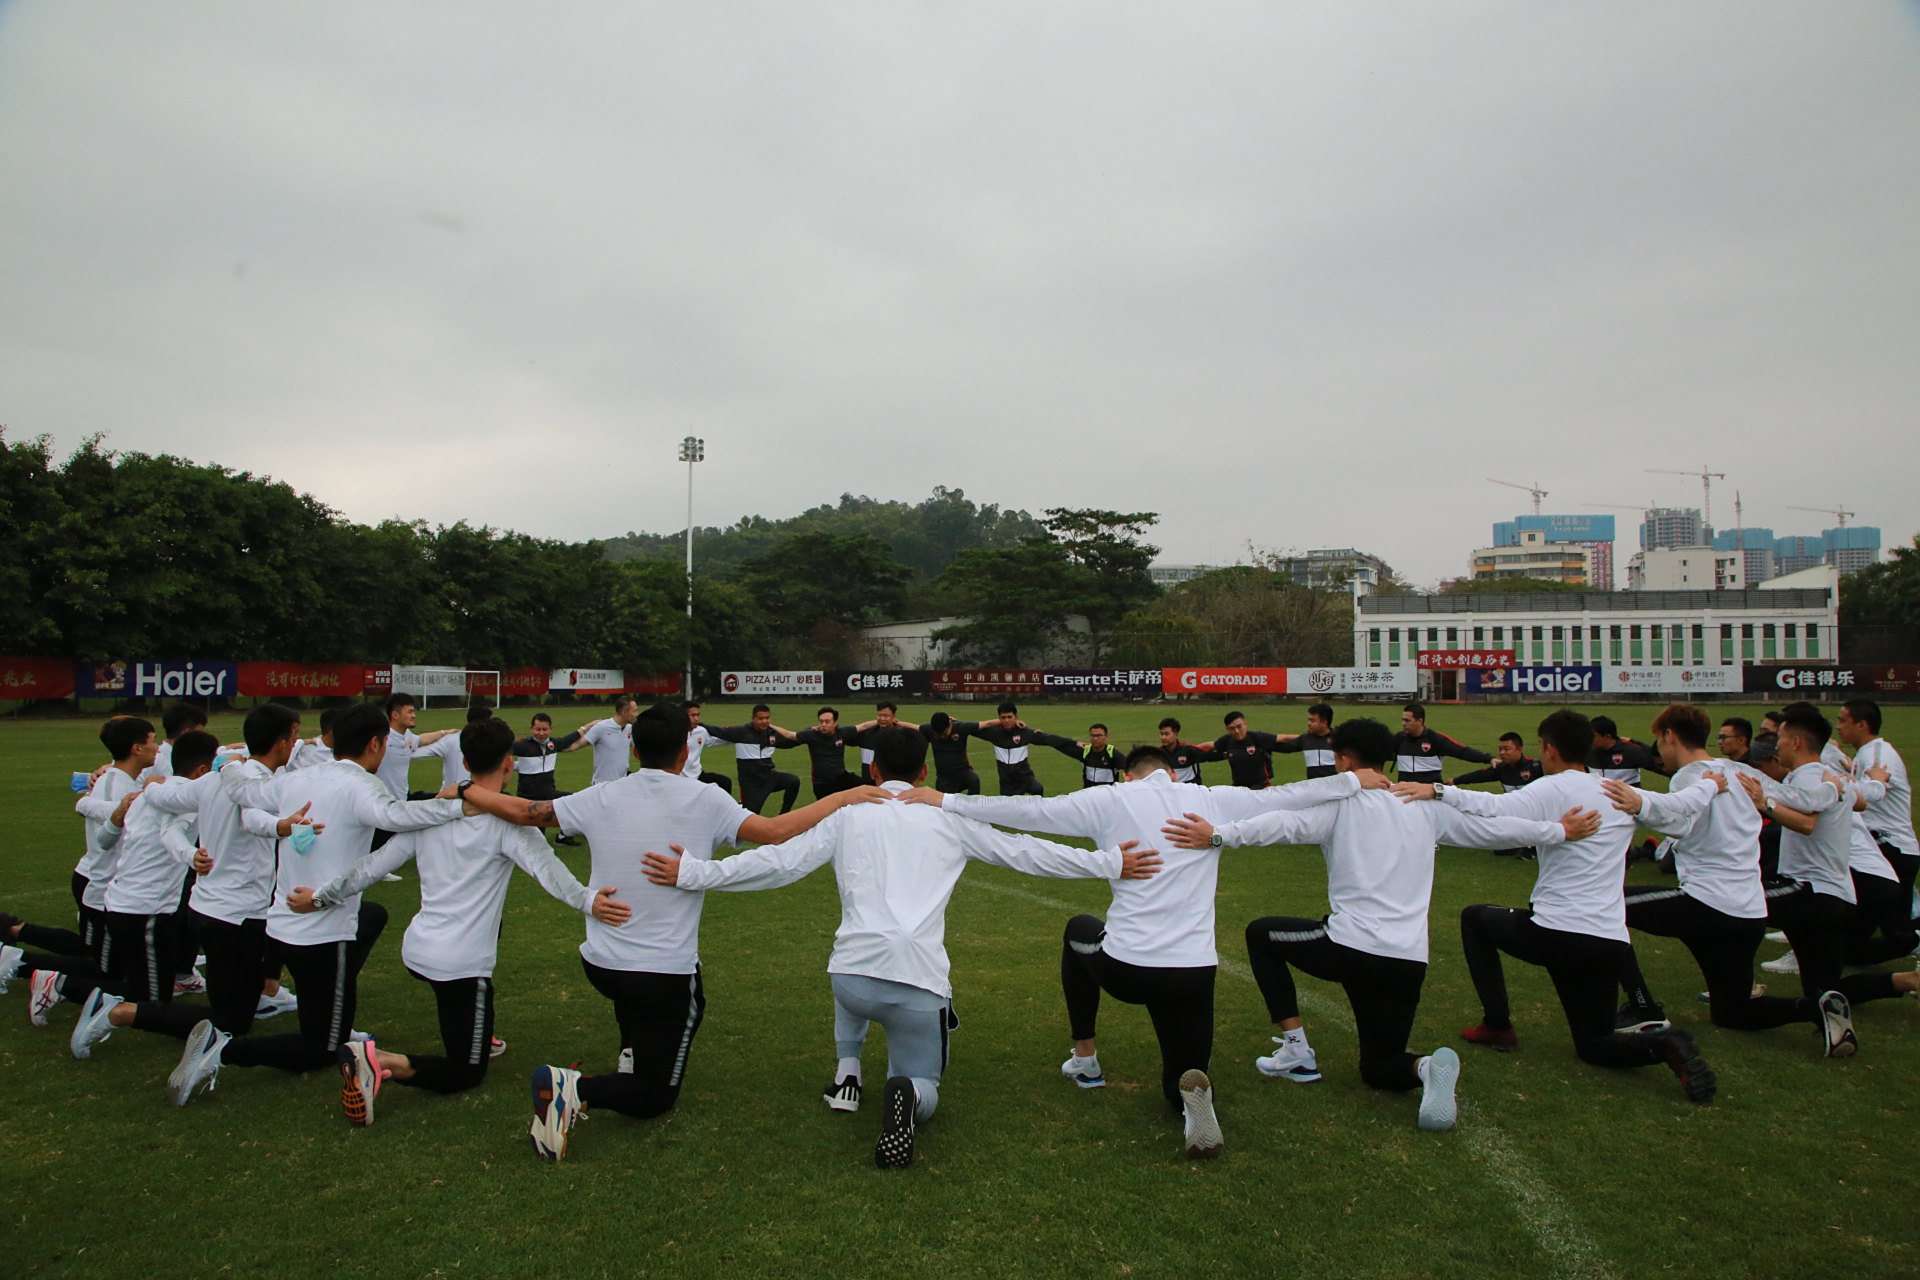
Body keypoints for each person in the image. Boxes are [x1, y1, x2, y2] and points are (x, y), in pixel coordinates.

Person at [640, 727, 1161, 1169]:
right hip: (915, 983)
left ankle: (848, 1071)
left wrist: (694, 873)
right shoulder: (947, 818)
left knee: (855, 963)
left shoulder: (847, 815)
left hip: (850, 983)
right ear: (926, 774)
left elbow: (777, 864)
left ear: (871, 771)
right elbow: (1025, 852)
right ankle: (907, 1094)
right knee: (921, 1081)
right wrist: (1109, 863)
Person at [453, 702, 888, 1161]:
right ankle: (573, 1089)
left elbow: (526, 811)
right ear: (685, 752)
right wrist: (845, 796)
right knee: (657, 1090)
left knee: (644, 1002)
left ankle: (632, 1050)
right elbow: (776, 831)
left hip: (600, 965)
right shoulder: (705, 798)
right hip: (661, 973)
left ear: (635, 750)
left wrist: (466, 789)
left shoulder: (602, 794)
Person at [903, 746, 1371, 1158]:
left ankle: (1085, 1059)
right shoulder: (1209, 798)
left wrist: (945, 799)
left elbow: (1032, 812)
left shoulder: (1111, 797)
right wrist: (1352, 779)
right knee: (1183, 1073)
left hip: (1128, 968)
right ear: (1172, 773)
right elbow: (1280, 796)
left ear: (1129, 774)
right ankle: (1190, 1102)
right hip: (1194, 972)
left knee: (1078, 931)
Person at [1159, 718, 1598, 1131]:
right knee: (1379, 1065)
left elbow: (1281, 825)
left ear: (1346, 761)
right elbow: (1495, 830)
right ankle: (1425, 1068)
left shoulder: (1342, 802)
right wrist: (1558, 831)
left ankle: (1297, 1052)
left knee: (1262, 934)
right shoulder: (1425, 805)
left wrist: (1217, 834)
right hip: (1407, 962)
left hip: (1349, 948)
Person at [283, 717, 632, 1125]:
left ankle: (481, 1033)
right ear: (509, 763)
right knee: (466, 1070)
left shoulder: (431, 812)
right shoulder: (508, 824)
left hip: (418, 951)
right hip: (460, 966)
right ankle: (380, 1063)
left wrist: (320, 896)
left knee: (467, 1015)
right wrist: (590, 901)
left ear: (464, 763)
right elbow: (551, 875)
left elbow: (371, 868)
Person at [1392, 709, 1720, 1104]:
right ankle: (1668, 1045)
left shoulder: (1553, 788)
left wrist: (1438, 790)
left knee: (1475, 918)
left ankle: (1497, 1025)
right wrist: (1712, 786)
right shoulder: (1622, 793)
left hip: (1557, 934)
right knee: (1594, 1044)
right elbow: (1680, 806)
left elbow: (1494, 806)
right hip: (1611, 943)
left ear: (1548, 749)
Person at [163, 703, 472, 1106]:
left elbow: (245, 791)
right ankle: (222, 1052)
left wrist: (228, 764)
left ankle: (320, 1020)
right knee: (324, 1047)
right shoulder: (361, 786)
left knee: (334, 993)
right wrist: (462, 801)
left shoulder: (298, 777)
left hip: (281, 925)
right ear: (376, 743)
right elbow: (396, 816)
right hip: (324, 931)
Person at [1598, 704, 1846, 1051]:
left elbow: (1678, 820)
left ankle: (1643, 1008)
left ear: (1670, 736)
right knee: (1732, 1011)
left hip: (1707, 904)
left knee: (1604, 906)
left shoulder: (1689, 775)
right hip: (1748, 914)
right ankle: (1814, 1007)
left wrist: (1636, 804)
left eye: (1660, 741)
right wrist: (1833, 789)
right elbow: (1802, 799)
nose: (1660, 753)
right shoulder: (1739, 770)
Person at [86, 705, 313, 1054]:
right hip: (237, 913)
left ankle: (265, 993)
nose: (296, 743)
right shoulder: (257, 787)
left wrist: (152, 788)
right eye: (295, 736)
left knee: (236, 1002)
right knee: (232, 1022)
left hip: (207, 910)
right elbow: (252, 817)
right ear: (282, 743)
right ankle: (125, 1012)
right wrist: (280, 827)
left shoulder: (212, 779)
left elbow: (165, 805)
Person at [1730, 705, 1918, 1046]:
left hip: (1810, 890)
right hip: (1841, 896)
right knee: (1826, 988)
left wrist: (1763, 802)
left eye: (1782, 739)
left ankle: (1737, 987)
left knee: (1731, 907)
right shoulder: (1833, 776)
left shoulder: (1808, 778)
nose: (1778, 747)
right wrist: (1874, 782)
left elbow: (1807, 821)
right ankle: (1900, 985)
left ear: (1798, 741)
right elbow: (1864, 800)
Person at [63, 730, 219, 1057]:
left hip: (124, 904)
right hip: (144, 910)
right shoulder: (184, 801)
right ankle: (65, 988)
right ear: (203, 772)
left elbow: (106, 841)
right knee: (150, 998)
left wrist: (105, 808)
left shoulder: (146, 793)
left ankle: (83, 992)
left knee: (149, 986)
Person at [1836, 698, 1917, 952]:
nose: (1838, 726)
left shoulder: (1878, 755)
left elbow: (1873, 790)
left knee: (1888, 924)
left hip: (1891, 845)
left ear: (1861, 725)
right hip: (1890, 847)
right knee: (1892, 923)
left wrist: (1835, 786)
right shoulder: (1866, 752)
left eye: (1842, 720)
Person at [1448, 732, 1543, 859]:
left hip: (1537, 812)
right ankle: (1519, 842)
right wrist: (1455, 781)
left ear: (1519, 749)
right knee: (1499, 849)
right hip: (1514, 812)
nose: (1502, 753)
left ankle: (1534, 846)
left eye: (1507, 749)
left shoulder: (1536, 766)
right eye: (1500, 749)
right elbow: (1480, 775)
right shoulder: (1501, 769)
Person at [511, 711, 592, 846]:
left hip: (549, 794)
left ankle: (563, 836)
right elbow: (500, 751)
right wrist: (514, 766)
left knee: (576, 803)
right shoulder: (523, 746)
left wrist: (589, 726)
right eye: (538, 729)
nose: (541, 733)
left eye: (545, 729)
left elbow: (569, 738)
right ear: (532, 729)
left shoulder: (553, 744)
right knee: (534, 841)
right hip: (529, 799)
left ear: (551, 729)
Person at [708, 705, 805, 815]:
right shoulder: (741, 732)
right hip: (752, 784)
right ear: (753, 718)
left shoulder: (771, 734)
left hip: (769, 778)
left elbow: (791, 741)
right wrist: (696, 725)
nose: (764, 721)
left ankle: (784, 815)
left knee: (793, 781)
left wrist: (810, 732)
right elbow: (717, 731)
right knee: (750, 816)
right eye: (761, 718)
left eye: (767, 718)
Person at [972, 704, 1076, 796]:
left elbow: (1049, 739)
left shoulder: (1025, 732)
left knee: (1038, 789)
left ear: (1016, 717)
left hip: (1025, 778)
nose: (1007, 720)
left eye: (1010, 717)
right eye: (1003, 718)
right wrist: (955, 723)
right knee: (1010, 812)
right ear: (999, 718)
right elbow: (970, 728)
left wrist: (1074, 742)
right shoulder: (993, 733)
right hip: (1007, 783)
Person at [375, 693, 455, 801]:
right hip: (382, 802)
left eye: (413, 711)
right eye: (409, 712)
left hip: (402, 800)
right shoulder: (382, 739)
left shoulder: (406, 734)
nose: (414, 715)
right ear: (395, 715)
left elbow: (422, 740)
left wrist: (445, 732)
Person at [1391, 703, 1490, 783]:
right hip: (1405, 793)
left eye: (1407, 720)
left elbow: (1462, 751)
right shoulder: (1399, 738)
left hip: (1430, 794)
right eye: (1403, 720)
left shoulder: (1435, 739)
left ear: (1420, 721)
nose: (1403, 723)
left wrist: (1489, 759)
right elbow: (1380, 753)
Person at [414, 703, 497, 790]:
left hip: (474, 794)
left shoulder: (490, 741)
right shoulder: (451, 741)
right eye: (490, 722)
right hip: (452, 798)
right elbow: (419, 753)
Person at [795, 707, 867, 799]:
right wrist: (772, 727)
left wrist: (880, 721)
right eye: (821, 722)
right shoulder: (811, 735)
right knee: (828, 811)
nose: (823, 724)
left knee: (868, 788)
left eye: (827, 721)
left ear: (835, 723)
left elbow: (863, 726)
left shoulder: (841, 732)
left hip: (841, 777)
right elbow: (790, 735)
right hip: (822, 783)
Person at [1210, 711, 1281, 790]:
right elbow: (1211, 746)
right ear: (1227, 729)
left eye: (1239, 727)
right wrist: (1193, 750)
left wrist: (1298, 740)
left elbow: (1281, 738)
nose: (1236, 731)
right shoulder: (1227, 740)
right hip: (1239, 787)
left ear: (1245, 724)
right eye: (1232, 728)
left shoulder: (1257, 737)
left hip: (1261, 787)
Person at [581, 696, 640, 786]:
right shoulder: (601, 727)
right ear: (624, 712)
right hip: (601, 786)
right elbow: (578, 744)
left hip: (621, 785)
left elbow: (642, 746)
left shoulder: (629, 729)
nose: (637, 714)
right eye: (634, 711)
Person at [1044, 722, 1125, 789]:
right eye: (1093, 735)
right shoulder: (1085, 751)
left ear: (1106, 737)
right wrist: (1043, 735)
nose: (1095, 738)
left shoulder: (1112, 753)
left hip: (1107, 795)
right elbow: (1057, 744)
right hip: (1088, 795)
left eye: (1099, 735)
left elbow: (1132, 769)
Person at [919, 713, 982, 795]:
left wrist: (1001, 721)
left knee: (974, 780)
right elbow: (913, 727)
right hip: (944, 778)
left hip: (963, 772)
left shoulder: (960, 728)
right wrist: (898, 723)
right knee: (945, 803)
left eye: (944, 733)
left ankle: (970, 805)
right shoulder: (930, 730)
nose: (942, 736)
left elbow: (986, 724)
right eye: (939, 734)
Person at [1588, 716, 1663, 783]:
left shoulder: (1630, 751)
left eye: (1594, 736)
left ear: (1607, 737)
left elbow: (1662, 767)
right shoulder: (1587, 751)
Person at [680, 701, 734, 793]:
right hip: (679, 778)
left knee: (725, 782)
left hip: (697, 775)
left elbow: (716, 740)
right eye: (693, 715)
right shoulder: (672, 733)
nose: (696, 719)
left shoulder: (701, 731)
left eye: (698, 715)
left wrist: (739, 734)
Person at [1272, 704, 1337, 779]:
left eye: (1312, 720)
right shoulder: (1305, 738)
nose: (1309, 723)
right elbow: (1285, 748)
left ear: (1324, 723)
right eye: (1309, 720)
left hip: (1334, 787)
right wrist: (1262, 740)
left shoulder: (1339, 739)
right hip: (1313, 787)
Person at [1155, 718, 1211, 785]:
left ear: (1176, 735)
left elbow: (1213, 755)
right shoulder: (1157, 754)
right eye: (1161, 734)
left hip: (1191, 793)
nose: (1163, 737)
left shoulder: (1189, 751)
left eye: (1166, 734)